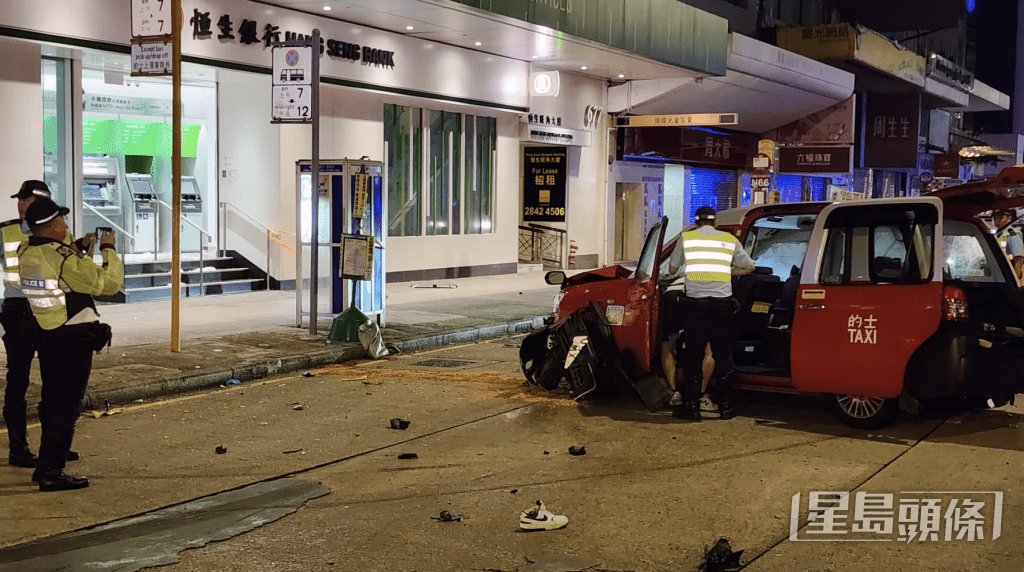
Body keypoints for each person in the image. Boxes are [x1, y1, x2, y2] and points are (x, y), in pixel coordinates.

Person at [19, 197, 122, 491]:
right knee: (67, 406)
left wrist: (77, 249)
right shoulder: (63, 257)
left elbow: (53, 275)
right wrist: (109, 250)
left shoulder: (26, 250)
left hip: (46, 332)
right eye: (62, 221)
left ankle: (44, 465)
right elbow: (108, 284)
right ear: (52, 226)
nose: (65, 225)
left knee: (50, 401)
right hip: (73, 337)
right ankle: (53, 470)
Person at [669, 206, 754, 421]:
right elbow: (749, 266)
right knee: (723, 355)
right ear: (716, 223)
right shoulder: (728, 240)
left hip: (695, 304)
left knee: (694, 356)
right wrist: (727, 271)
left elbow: (671, 270)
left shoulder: (686, 239)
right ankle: (725, 407)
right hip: (723, 304)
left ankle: (692, 407)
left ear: (696, 223)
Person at [993, 209, 1024, 279]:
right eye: (995, 218)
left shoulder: (1013, 235)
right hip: (1000, 275)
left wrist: (1014, 282)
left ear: (1009, 218)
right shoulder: (998, 234)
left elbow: (1018, 260)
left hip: (1008, 276)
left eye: (1001, 217)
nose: (997, 220)